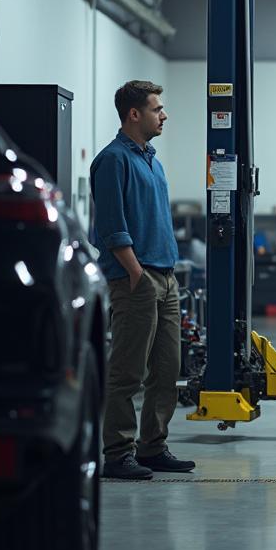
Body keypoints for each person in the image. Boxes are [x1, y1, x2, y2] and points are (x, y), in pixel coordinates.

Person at [91, 80, 196, 480]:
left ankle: (153, 446)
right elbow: (111, 226)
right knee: (128, 371)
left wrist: (166, 272)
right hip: (135, 278)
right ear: (134, 114)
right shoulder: (113, 160)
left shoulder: (152, 160)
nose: (163, 114)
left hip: (166, 276)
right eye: (157, 108)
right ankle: (118, 453)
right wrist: (135, 272)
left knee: (167, 369)